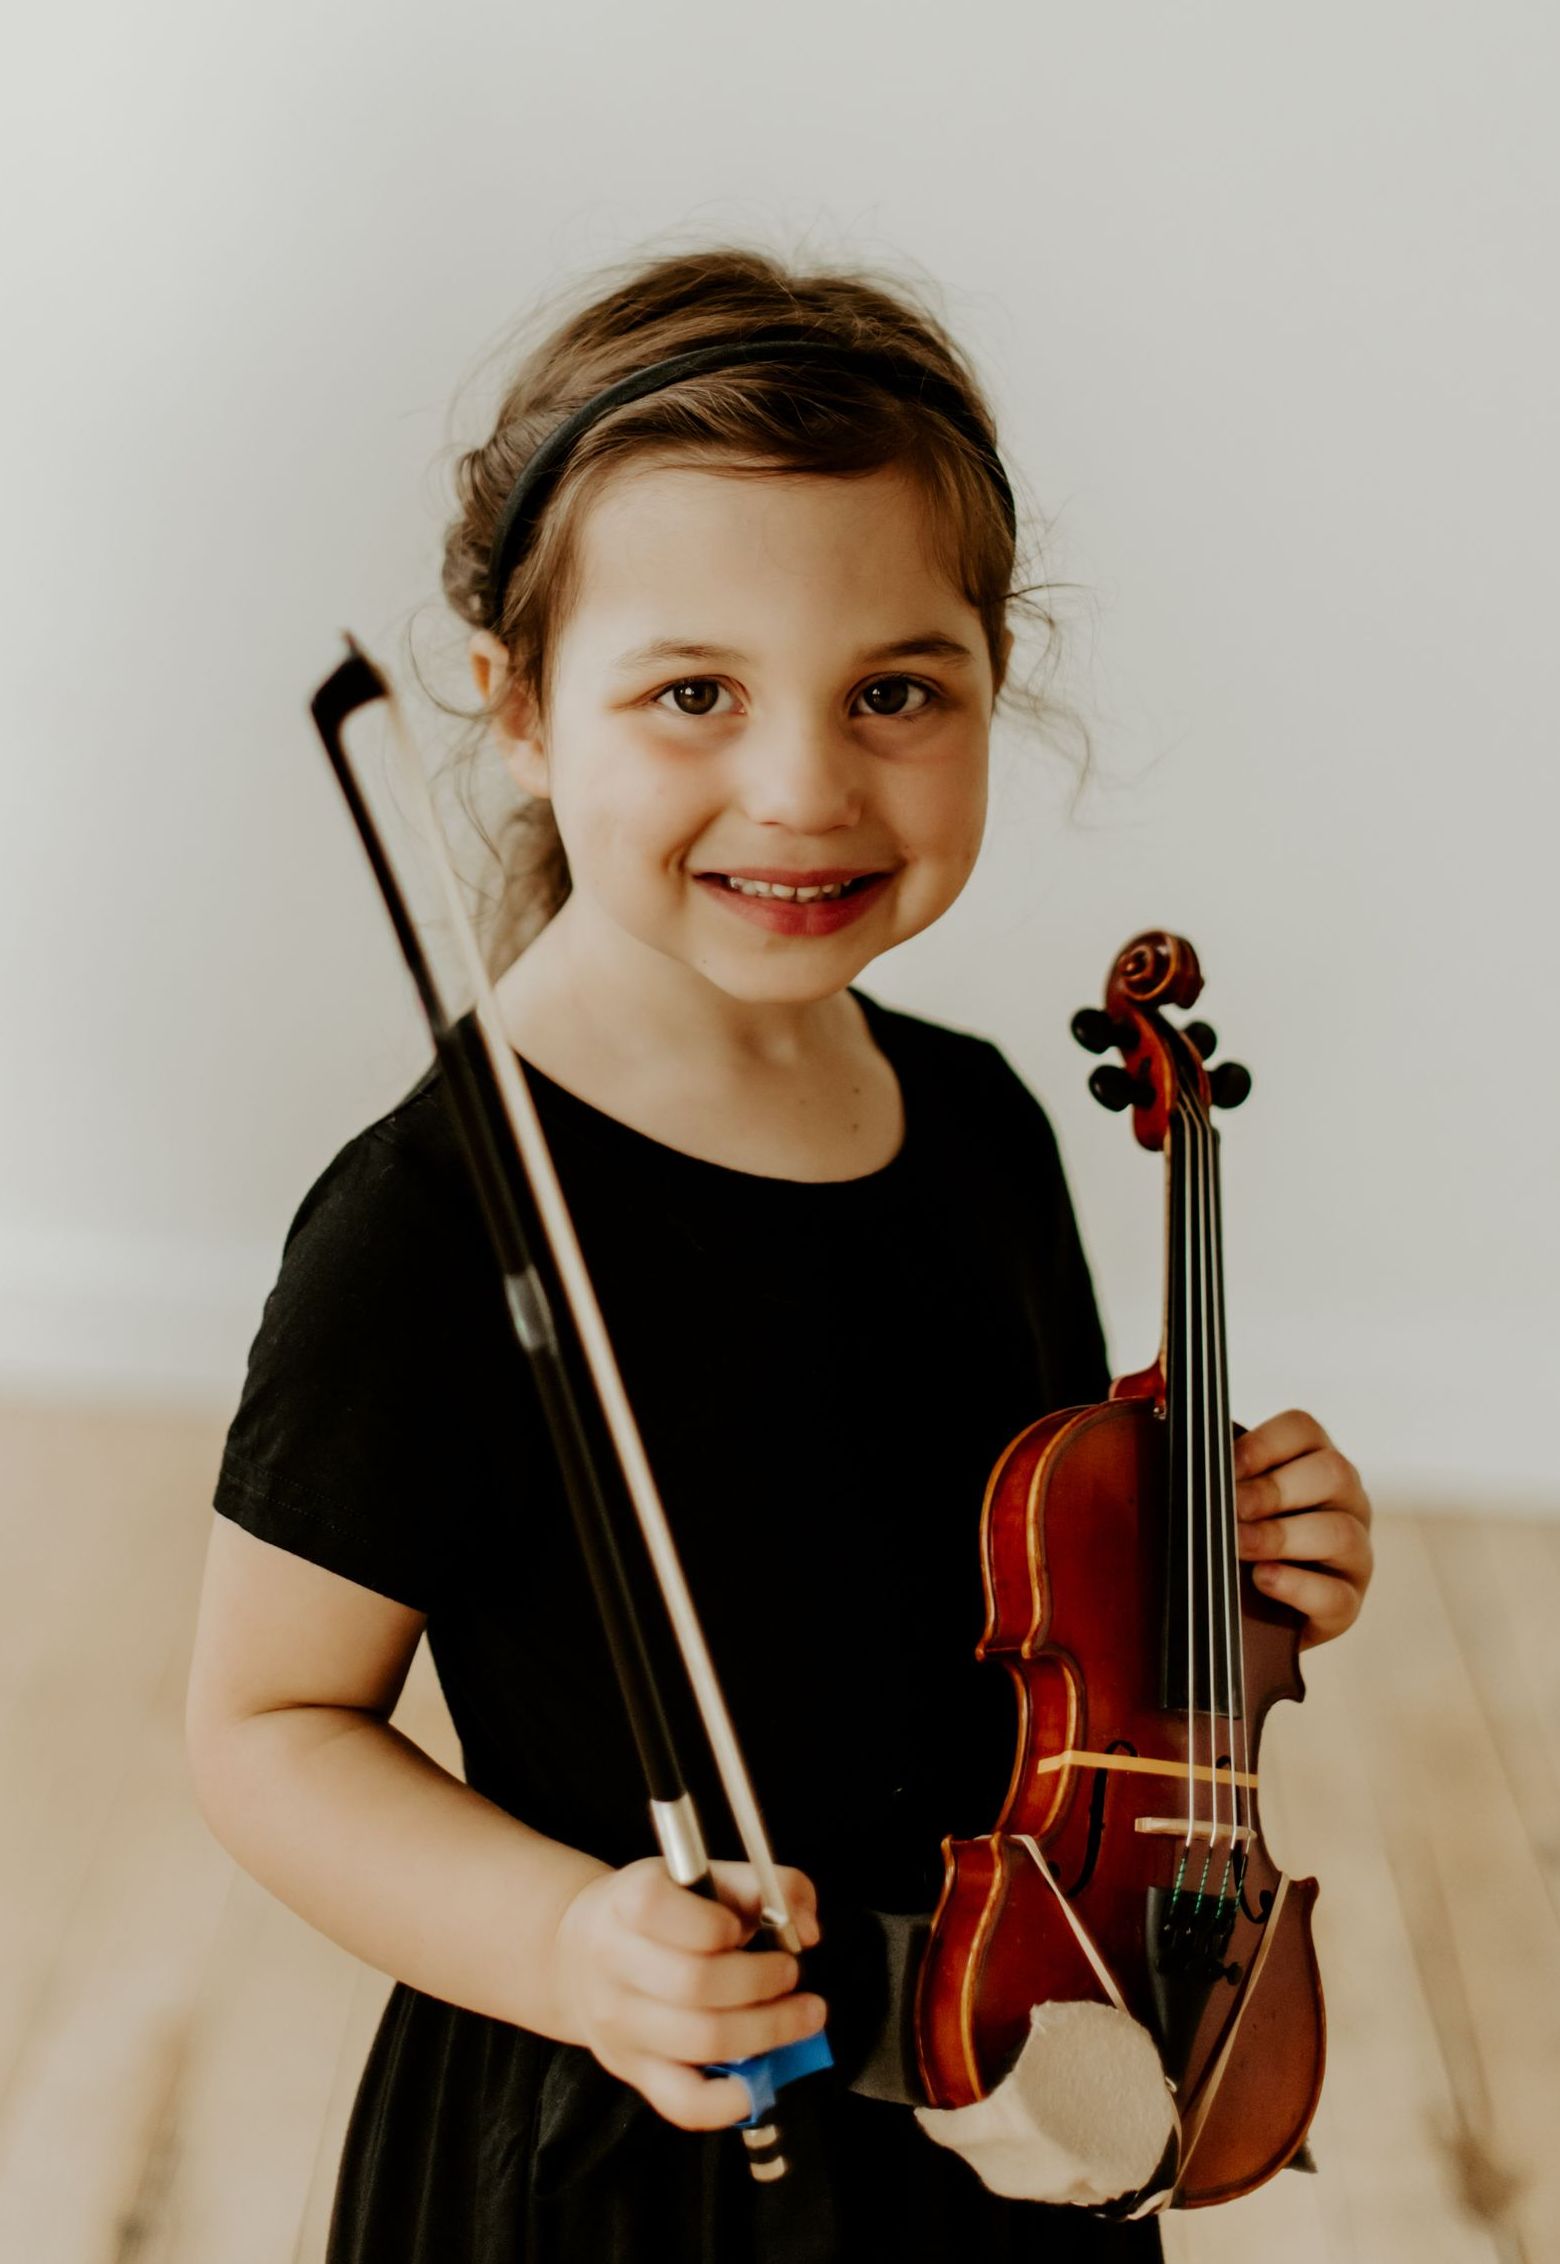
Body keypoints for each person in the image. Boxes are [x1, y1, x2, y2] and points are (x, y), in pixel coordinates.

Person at [183, 244, 1375, 2263]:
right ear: (520, 707)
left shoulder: (985, 1119)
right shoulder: (435, 1220)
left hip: (1026, 2054)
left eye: (897, 690)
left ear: (1000, 680)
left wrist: (1235, 1590)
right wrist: (574, 1943)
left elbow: (1023, 1631)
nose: (805, 786)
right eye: (692, 693)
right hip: (647, 2134)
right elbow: (267, 1728)